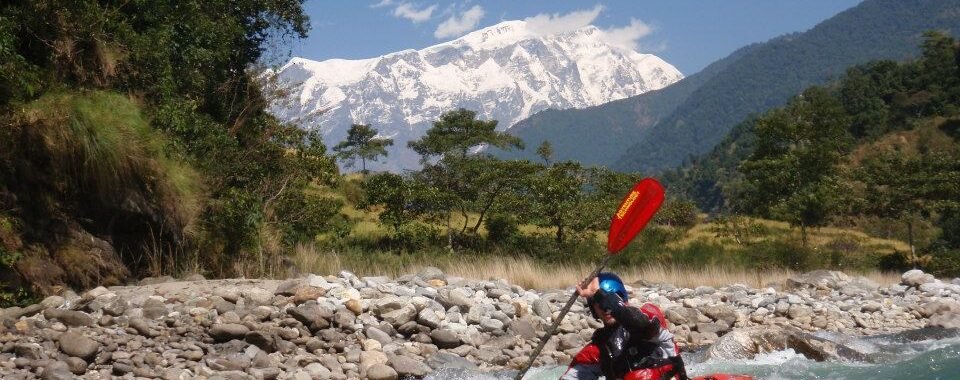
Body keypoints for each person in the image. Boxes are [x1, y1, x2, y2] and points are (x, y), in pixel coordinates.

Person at [561, 272, 687, 380]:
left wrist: (601, 296)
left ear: (622, 300)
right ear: (593, 308)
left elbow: (640, 324)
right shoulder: (598, 349)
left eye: (609, 302)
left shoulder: (648, 316)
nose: (606, 309)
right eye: (599, 304)